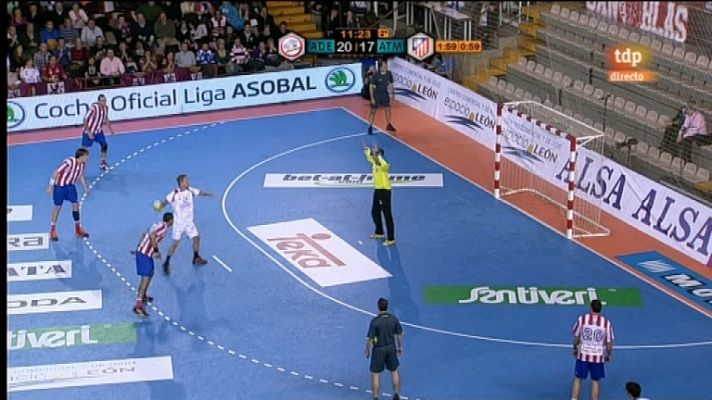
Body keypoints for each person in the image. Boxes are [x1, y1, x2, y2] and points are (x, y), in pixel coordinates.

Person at [156, 174, 213, 273]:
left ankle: (196, 257)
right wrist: (160, 206)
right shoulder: (174, 194)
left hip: (189, 222)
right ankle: (167, 262)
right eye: (186, 181)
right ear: (181, 182)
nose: (188, 182)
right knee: (175, 244)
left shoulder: (190, 190)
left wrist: (209, 195)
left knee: (196, 238)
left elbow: (200, 193)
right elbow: (165, 202)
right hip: (178, 224)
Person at [571, 299, 615, 400]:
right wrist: (609, 354)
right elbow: (609, 342)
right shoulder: (606, 323)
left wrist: (575, 348)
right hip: (598, 356)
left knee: (578, 379)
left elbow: (576, 337)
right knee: (595, 380)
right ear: (600, 309)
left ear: (590, 308)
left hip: (583, 354)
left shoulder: (582, 319)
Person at [133, 212, 174, 317]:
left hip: (144, 253)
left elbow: (144, 233)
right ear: (170, 221)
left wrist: (138, 247)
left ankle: (144, 296)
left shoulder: (157, 224)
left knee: (151, 274)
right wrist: (156, 250)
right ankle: (138, 306)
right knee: (145, 279)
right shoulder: (163, 228)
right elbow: (152, 235)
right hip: (145, 255)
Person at [47, 148, 91, 241]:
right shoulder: (69, 162)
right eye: (87, 155)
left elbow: (81, 175)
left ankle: (78, 228)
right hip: (60, 187)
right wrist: (50, 186)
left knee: (76, 205)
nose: (88, 157)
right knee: (57, 207)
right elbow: (56, 172)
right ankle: (52, 230)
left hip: (70, 187)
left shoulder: (83, 164)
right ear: (82, 156)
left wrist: (85, 187)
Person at [365, 298, 403, 400]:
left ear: (378, 307)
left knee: (375, 374)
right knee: (394, 371)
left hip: (378, 349)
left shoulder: (375, 321)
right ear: (387, 306)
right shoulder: (393, 319)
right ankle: (396, 394)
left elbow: (370, 338)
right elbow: (399, 334)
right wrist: (400, 347)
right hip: (391, 347)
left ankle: (376, 397)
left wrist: (367, 350)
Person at [365, 144, 395, 246]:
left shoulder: (383, 165)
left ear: (379, 155)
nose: (373, 153)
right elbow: (370, 158)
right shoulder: (375, 163)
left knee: (387, 215)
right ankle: (379, 232)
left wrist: (379, 156)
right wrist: (367, 151)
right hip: (377, 190)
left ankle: (391, 238)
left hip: (384, 191)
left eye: (375, 152)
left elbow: (385, 165)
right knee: (375, 212)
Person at [82, 94, 115, 171]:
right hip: (89, 131)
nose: (104, 102)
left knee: (104, 145)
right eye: (102, 101)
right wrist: (89, 133)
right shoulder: (93, 108)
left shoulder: (106, 108)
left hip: (99, 131)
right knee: (84, 150)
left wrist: (110, 129)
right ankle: (79, 167)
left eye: (105, 100)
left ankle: (103, 163)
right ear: (98, 101)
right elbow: (85, 119)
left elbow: (106, 117)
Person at [368, 59, 396, 135]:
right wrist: (372, 98)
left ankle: (388, 124)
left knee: (388, 109)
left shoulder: (389, 74)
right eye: (384, 67)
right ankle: (370, 126)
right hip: (377, 95)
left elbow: (390, 84)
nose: (386, 68)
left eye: (386, 66)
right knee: (373, 112)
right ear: (380, 68)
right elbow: (371, 87)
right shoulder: (376, 75)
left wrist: (392, 94)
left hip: (385, 95)